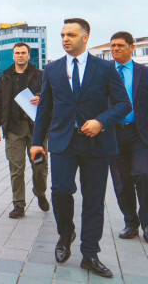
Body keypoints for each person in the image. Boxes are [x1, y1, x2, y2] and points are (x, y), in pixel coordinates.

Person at [30, 18, 131, 278]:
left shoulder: (105, 68)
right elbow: (44, 108)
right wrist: (37, 142)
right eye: (63, 34)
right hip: (64, 141)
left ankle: (90, 254)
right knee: (61, 191)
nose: (65, 39)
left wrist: (101, 122)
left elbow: (123, 104)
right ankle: (66, 233)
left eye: (71, 35)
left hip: (97, 143)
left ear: (85, 38)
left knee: (94, 200)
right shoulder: (52, 69)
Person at [0, 42, 49, 219]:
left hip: (36, 129)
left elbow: (51, 95)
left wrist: (40, 97)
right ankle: (18, 205)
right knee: (16, 168)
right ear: (13, 55)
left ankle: (40, 192)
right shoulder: (6, 76)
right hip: (13, 129)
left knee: (40, 167)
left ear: (29, 55)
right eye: (17, 53)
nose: (20, 55)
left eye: (23, 52)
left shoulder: (40, 75)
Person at [107, 31, 148, 243]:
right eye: (113, 46)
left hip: (140, 134)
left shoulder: (144, 72)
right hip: (113, 134)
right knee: (121, 181)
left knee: (144, 175)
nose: (115, 49)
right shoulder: (104, 73)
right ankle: (130, 222)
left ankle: (147, 223)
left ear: (132, 47)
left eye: (120, 45)